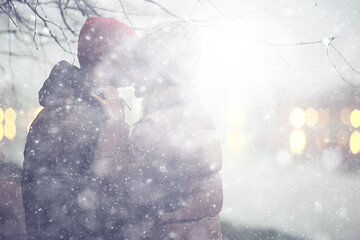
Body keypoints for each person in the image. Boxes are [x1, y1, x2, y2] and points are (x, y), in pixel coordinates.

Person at [92, 20, 223, 240]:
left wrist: (115, 123)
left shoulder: (159, 125)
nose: (131, 72)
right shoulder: (194, 113)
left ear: (159, 68)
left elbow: (107, 185)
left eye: (138, 64)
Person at [21, 17, 135, 240]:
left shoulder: (95, 109)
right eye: (128, 50)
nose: (134, 59)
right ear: (103, 53)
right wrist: (116, 128)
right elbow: (58, 211)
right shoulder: (69, 115)